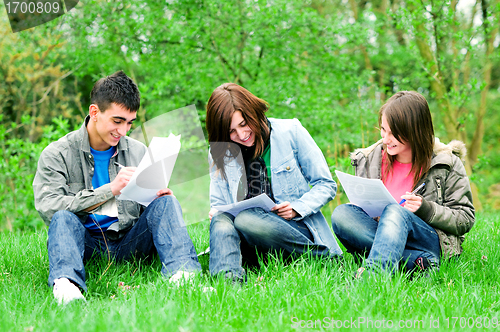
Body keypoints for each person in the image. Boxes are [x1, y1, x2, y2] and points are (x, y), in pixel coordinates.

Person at [33, 71, 201, 305]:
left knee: (167, 202)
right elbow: (48, 207)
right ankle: (67, 286)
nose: (123, 131)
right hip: (86, 244)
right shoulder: (56, 154)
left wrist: (157, 198)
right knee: (62, 218)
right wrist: (110, 190)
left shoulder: (138, 151)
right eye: (117, 121)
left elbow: (148, 212)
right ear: (95, 112)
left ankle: (184, 277)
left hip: (130, 242)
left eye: (130, 123)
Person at [205, 83, 342, 283]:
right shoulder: (218, 153)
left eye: (244, 124)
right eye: (231, 131)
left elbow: (326, 184)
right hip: (251, 240)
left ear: (254, 113)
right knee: (221, 220)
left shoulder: (291, 131)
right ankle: (228, 285)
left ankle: (322, 259)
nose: (242, 135)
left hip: (293, 231)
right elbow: (218, 204)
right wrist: (216, 212)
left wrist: (297, 207)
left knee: (245, 218)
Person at [331, 91, 475, 278]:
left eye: (394, 133)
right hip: (382, 232)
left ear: (415, 131)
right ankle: (418, 262)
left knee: (395, 210)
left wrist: (426, 209)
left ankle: (373, 277)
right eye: (383, 129)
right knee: (342, 214)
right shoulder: (370, 159)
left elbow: (465, 218)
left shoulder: (446, 163)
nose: (385, 139)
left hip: (425, 238)